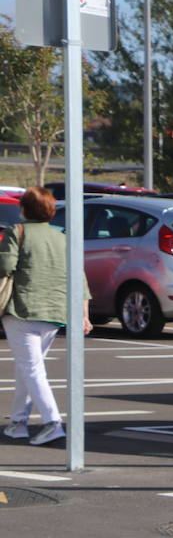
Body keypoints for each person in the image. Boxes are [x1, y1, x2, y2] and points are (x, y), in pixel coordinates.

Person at [1, 187, 91, 446]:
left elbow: (6, 266)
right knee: (28, 367)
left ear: (24, 209)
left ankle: (52, 422)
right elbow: (80, 279)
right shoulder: (62, 237)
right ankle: (18, 422)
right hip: (54, 313)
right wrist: (84, 314)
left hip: (22, 309)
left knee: (30, 368)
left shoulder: (16, 232)